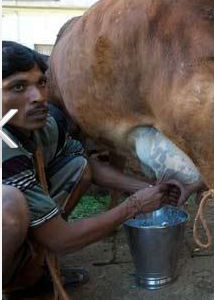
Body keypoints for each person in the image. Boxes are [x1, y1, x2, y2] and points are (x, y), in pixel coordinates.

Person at [1, 41, 185, 292]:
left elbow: (88, 165)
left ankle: (30, 266)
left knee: (78, 166)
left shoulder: (44, 128)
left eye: (41, 83)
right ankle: (14, 282)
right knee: (10, 207)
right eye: (18, 87)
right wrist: (134, 206)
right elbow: (60, 239)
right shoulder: (5, 148)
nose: (38, 98)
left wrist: (150, 188)